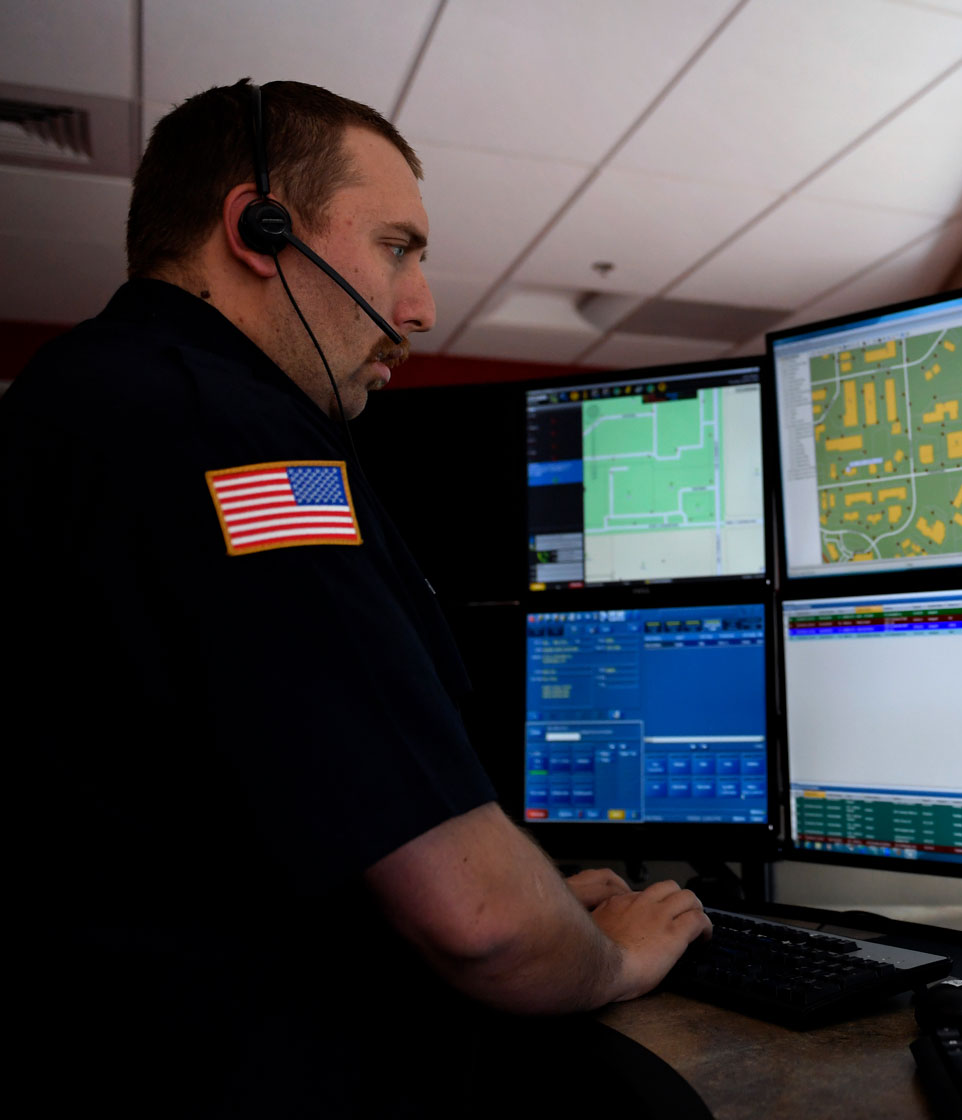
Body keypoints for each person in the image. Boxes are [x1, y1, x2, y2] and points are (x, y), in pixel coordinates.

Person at [3, 79, 710, 1114]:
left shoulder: (72, 394)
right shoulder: (237, 440)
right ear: (258, 228)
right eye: (397, 248)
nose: (418, 309)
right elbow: (480, 923)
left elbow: (224, 813)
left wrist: (541, 901)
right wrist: (612, 957)